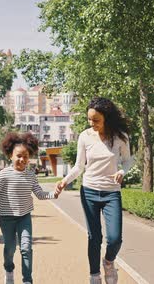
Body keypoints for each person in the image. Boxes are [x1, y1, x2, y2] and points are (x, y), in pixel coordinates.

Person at [56, 97, 131, 284]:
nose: (92, 123)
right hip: (89, 191)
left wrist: (123, 170)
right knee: (94, 237)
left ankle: (109, 262)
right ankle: (94, 275)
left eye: (96, 120)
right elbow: (78, 167)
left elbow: (129, 160)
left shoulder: (120, 137)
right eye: (89, 119)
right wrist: (64, 181)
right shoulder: (85, 136)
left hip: (111, 193)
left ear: (106, 118)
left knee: (115, 239)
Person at [0, 132, 59, 284]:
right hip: (6, 218)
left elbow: (39, 194)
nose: (22, 159)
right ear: (10, 155)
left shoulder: (31, 174)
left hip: (25, 217)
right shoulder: (3, 175)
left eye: (26, 156)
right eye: (19, 155)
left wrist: (53, 194)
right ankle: (9, 269)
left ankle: (27, 280)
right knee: (10, 248)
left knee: (26, 248)